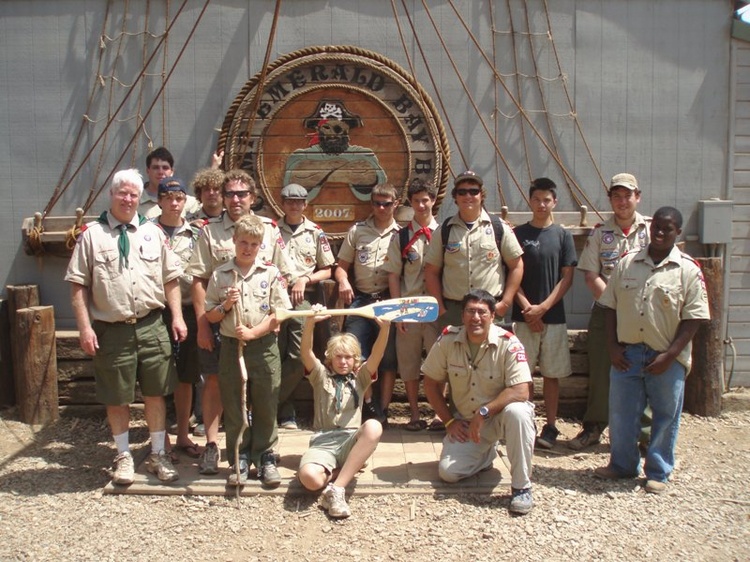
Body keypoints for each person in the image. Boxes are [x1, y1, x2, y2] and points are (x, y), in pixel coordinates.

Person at [65, 168, 187, 485]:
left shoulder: (152, 232)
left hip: (151, 325)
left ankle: (158, 454)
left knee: (156, 392)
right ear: (113, 195)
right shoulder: (92, 235)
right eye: (123, 193)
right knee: (117, 396)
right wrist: (84, 328)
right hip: (112, 328)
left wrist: (177, 316)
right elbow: (78, 286)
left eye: (134, 194)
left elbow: (171, 278)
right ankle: (123, 456)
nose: (129, 199)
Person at [593, 207, 709, 494]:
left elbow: (694, 318)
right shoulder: (627, 263)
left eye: (667, 228)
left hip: (666, 357)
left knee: (665, 415)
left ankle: (658, 470)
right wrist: (612, 347)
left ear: (677, 233)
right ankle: (622, 465)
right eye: (656, 226)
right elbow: (609, 307)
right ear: (649, 227)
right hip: (627, 354)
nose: (659, 232)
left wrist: (670, 356)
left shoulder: (688, 269)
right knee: (621, 413)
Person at [187, 169, 289, 475]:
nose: (234, 199)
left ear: (253, 198)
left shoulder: (270, 229)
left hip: (263, 330)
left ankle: (265, 454)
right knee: (223, 389)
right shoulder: (209, 230)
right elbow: (200, 278)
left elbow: (283, 274)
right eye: (229, 193)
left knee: (265, 394)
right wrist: (204, 324)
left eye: (241, 194)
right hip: (224, 330)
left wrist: (275, 319)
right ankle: (221, 448)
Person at [422, 289, 536, 514]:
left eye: (482, 312)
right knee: (448, 473)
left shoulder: (509, 343)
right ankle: (486, 455)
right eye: (470, 312)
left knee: (519, 412)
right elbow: (430, 384)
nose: (475, 318)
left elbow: (522, 390)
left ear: (493, 316)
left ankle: (521, 487)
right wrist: (448, 422)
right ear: (462, 315)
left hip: (498, 417)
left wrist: (484, 412)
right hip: (468, 424)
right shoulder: (447, 340)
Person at [203, 214, 292, 487]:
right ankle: (239, 458)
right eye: (243, 242)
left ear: (260, 245)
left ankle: (265, 457)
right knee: (235, 404)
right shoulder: (220, 275)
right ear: (234, 241)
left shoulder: (271, 273)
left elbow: (280, 313)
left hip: (263, 347)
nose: (248, 248)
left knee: (266, 403)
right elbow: (210, 316)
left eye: (254, 244)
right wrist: (226, 306)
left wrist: (255, 332)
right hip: (233, 349)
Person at [570, 173, 651, 450]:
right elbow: (592, 274)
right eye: (616, 196)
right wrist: (614, 302)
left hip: (644, 315)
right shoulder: (600, 233)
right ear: (610, 199)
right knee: (602, 370)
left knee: (645, 369)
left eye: (627, 195)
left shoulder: (652, 231)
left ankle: (644, 435)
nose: (622, 201)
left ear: (637, 196)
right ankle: (594, 427)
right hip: (607, 311)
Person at [297, 306, 391, 518]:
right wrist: (310, 322)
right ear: (330, 358)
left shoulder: (361, 378)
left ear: (355, 359)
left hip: (350, 439)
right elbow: (305, 353)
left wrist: (385, 329)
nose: (343, 362)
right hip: (324, 441)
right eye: (338, 357)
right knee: (309, 479)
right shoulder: (320, 376)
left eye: (348, 357)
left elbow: (377, 355)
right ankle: (349, 467)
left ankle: (336, 489)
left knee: (374, 426)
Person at [512, 178, 577, 449]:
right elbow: (510, 273)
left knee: (551, 375)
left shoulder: (563, 236)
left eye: (546, 200)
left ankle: (550, 426)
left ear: (554, 202)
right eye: (537, 199)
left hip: (553, 317)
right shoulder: (518, 233)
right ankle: (525, 424)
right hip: (523, 316)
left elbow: (567, 277)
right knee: (521, 375)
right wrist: (528, 308)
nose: (541, 204)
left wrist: (543, 308)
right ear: (530, 201)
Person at [424, 170, 524, 329]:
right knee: (454, 354)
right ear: (455, 197)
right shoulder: (444, 230)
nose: (468, 196)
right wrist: (441, 308)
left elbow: (517, 265)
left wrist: (505, 302)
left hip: (490, 309)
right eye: (462, 192)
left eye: (473, 191)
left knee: (489, 353)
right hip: (453, 311)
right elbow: (431, 271)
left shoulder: (499, 227)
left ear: (481, 195)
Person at [334, 184, 400, 424]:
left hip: (388, 300)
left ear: (396, 204)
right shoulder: (358, 231)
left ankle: (384, 409)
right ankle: (369, 405)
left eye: (387, 203)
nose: (381, 208)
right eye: (377, 203)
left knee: (389, 358)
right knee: (355, 354)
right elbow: (341, 267)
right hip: (361, 300)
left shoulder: (400, 234)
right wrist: (343, 282)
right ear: (371, 204)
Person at [276, 183, 335, 430]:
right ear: (282, 203)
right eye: (289, 200)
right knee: (273, 354)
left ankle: (270, 403)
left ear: (305, 205)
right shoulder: (271, 230)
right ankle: (284, 411)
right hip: (272, 297)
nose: (294, 205)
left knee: (298, 355)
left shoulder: (315, 232)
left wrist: (305, 279)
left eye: (298, 201)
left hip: (302, 299)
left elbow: (327, 269)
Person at [384, 180, 439, 430]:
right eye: (416, 200)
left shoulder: (445, 233)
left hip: (437, 308)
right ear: (410, 203)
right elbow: (394, 274)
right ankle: (414, 414)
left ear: (433, 201)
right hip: (411, 307)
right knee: (409, 363)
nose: (421, 205)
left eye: (425, 200)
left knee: (441, 362)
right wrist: (399, 312)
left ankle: (439, 414)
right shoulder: (402, 236)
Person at [154, 177, 203, 460]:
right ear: (159, 200)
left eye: (179, 198)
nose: (174, 203)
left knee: (186, 375)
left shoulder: (196, 235)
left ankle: (183, 434)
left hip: (187, 310)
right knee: (158, 377)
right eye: (169, 198)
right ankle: (161, 441)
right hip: (156, 310)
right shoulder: (146, 233)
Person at [139, 146, 200, 219]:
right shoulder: (135, 202)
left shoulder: (189, 203)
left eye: (165, 168)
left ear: (172, 172)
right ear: (148, 171)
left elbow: (209, 208)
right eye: (156, 167)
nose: (160, 172)